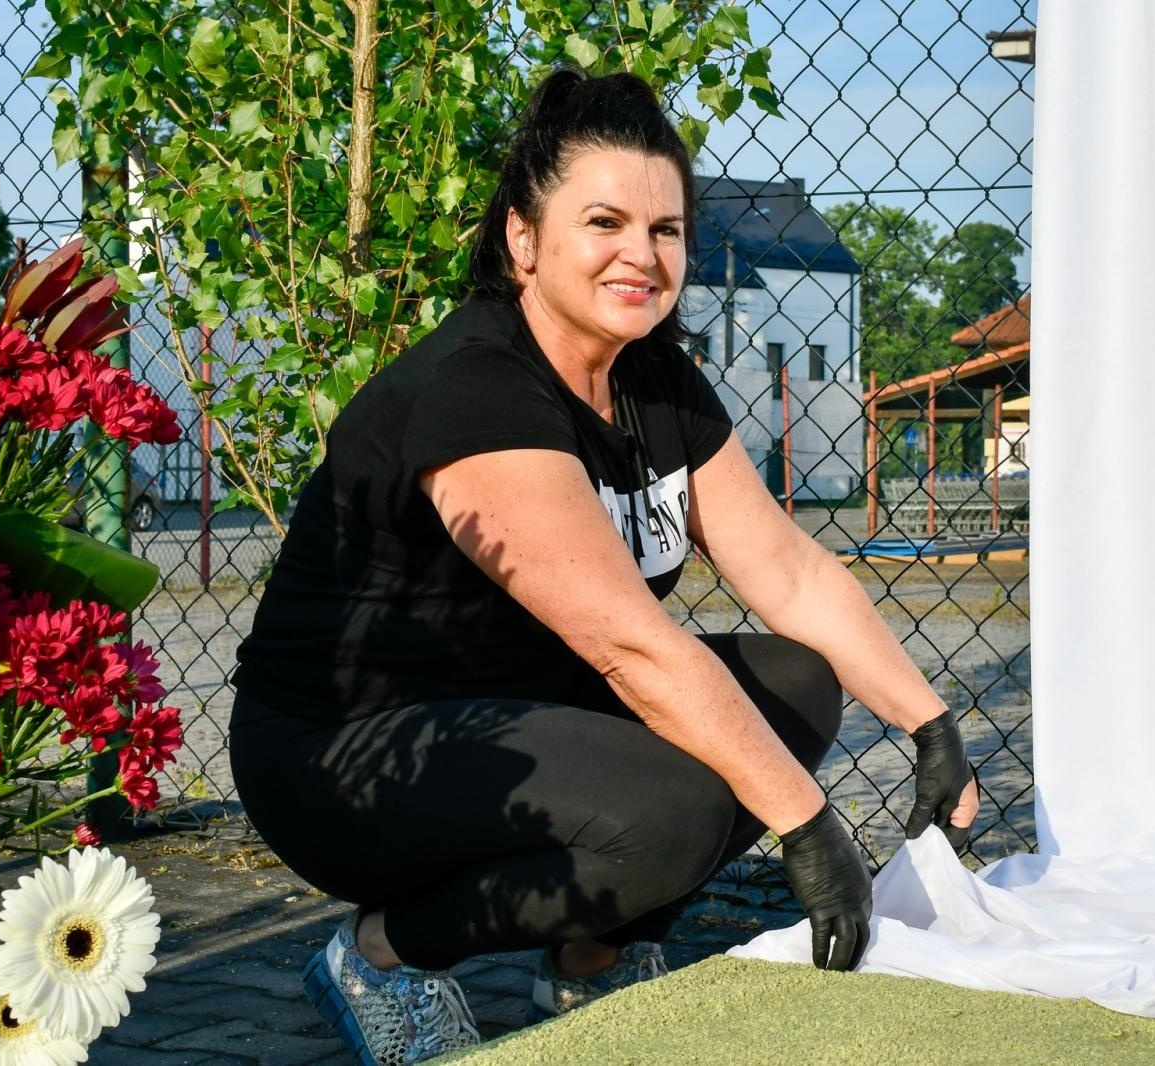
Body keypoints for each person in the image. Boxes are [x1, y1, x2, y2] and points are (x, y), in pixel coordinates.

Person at [229, 67, 979, 1065]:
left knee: (794, 685)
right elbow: (626, 643)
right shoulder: (478, 387)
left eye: (665, 229)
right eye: (604, 222)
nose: (641, 253)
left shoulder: (654, 376)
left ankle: (589, 961)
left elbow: (788, 572)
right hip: (346, 752)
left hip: (506, 718)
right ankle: (381, 954)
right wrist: (808, 826)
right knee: (676, 809)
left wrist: (928, 722)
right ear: (524, 240)